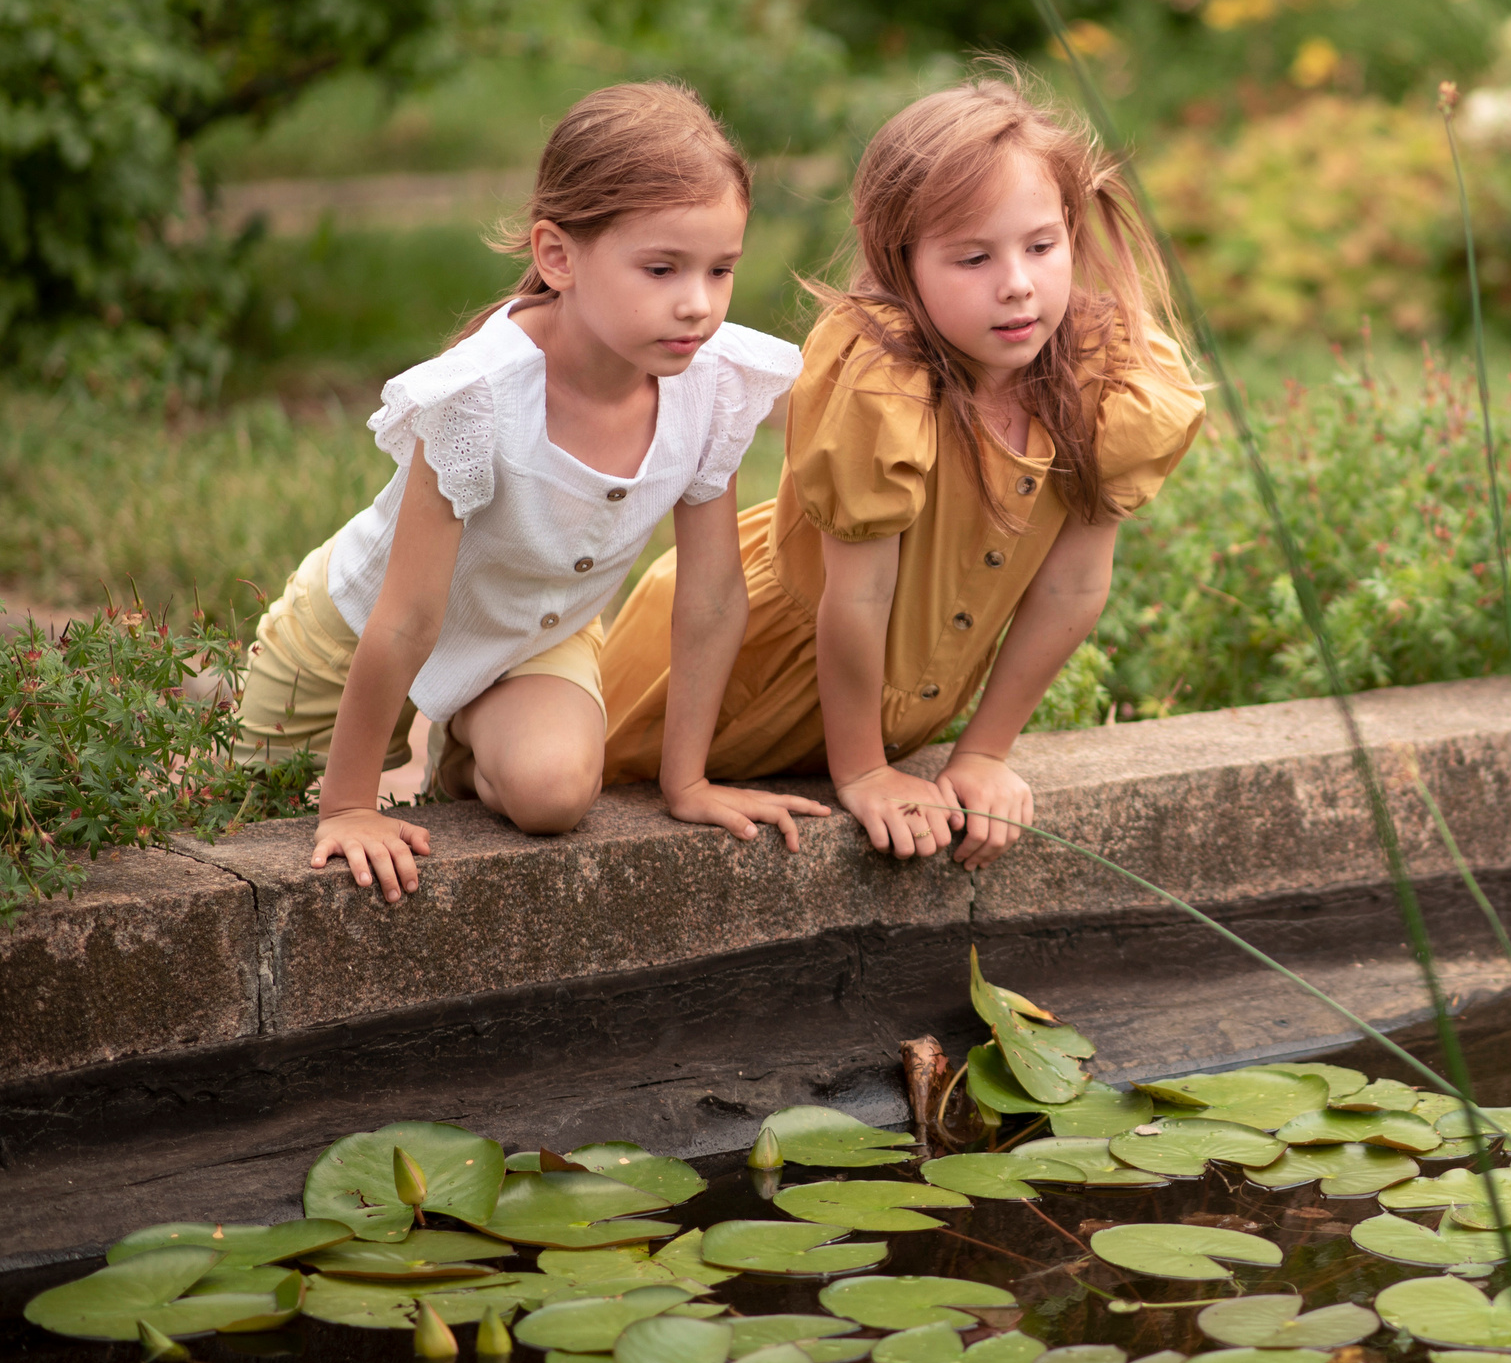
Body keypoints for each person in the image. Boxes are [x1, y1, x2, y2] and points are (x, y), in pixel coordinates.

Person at [596, 69, 1205, 871]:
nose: (1017, 283)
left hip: (890, 710)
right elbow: (859, 595)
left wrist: (983, 752)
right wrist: (862, 770)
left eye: (1041, 246)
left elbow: (1073, 586)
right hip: (748, 676)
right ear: (900, 260)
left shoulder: (1105, 379)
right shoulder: (881, 380)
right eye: (973, 257)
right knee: (583, 778)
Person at [237, 82, 830, 903]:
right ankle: (388, 747)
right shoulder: (478, 395)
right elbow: (406, 617)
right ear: (558, 256)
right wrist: (348, 804)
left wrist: (686, 781)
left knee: (556, 795)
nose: (698, 303)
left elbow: (714, 593)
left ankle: (459, 749)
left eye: (721, 269)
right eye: (661, 268)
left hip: (531, 640)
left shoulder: (713, 383)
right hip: (353, 639)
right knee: (230, 817)